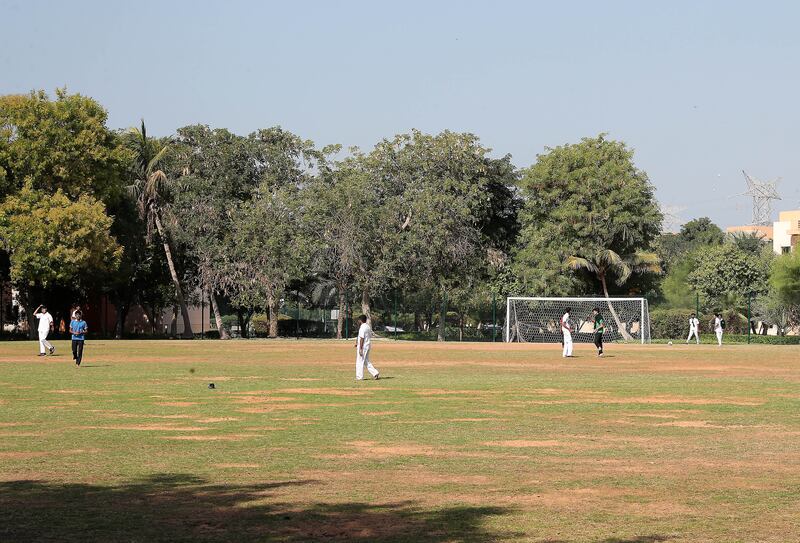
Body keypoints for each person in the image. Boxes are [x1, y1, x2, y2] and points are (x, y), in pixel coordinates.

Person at [355, 314, 379, 380]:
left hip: (363, 346)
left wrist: (360, 348)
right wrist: (357, 343)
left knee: (360, 361)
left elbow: (362, 338)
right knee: (366, 361)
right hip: (368, 345)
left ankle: (359, 377)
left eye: (358, 320)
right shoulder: (368, 326)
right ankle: (375, 373)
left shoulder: (362, 327)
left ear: (360, 320)